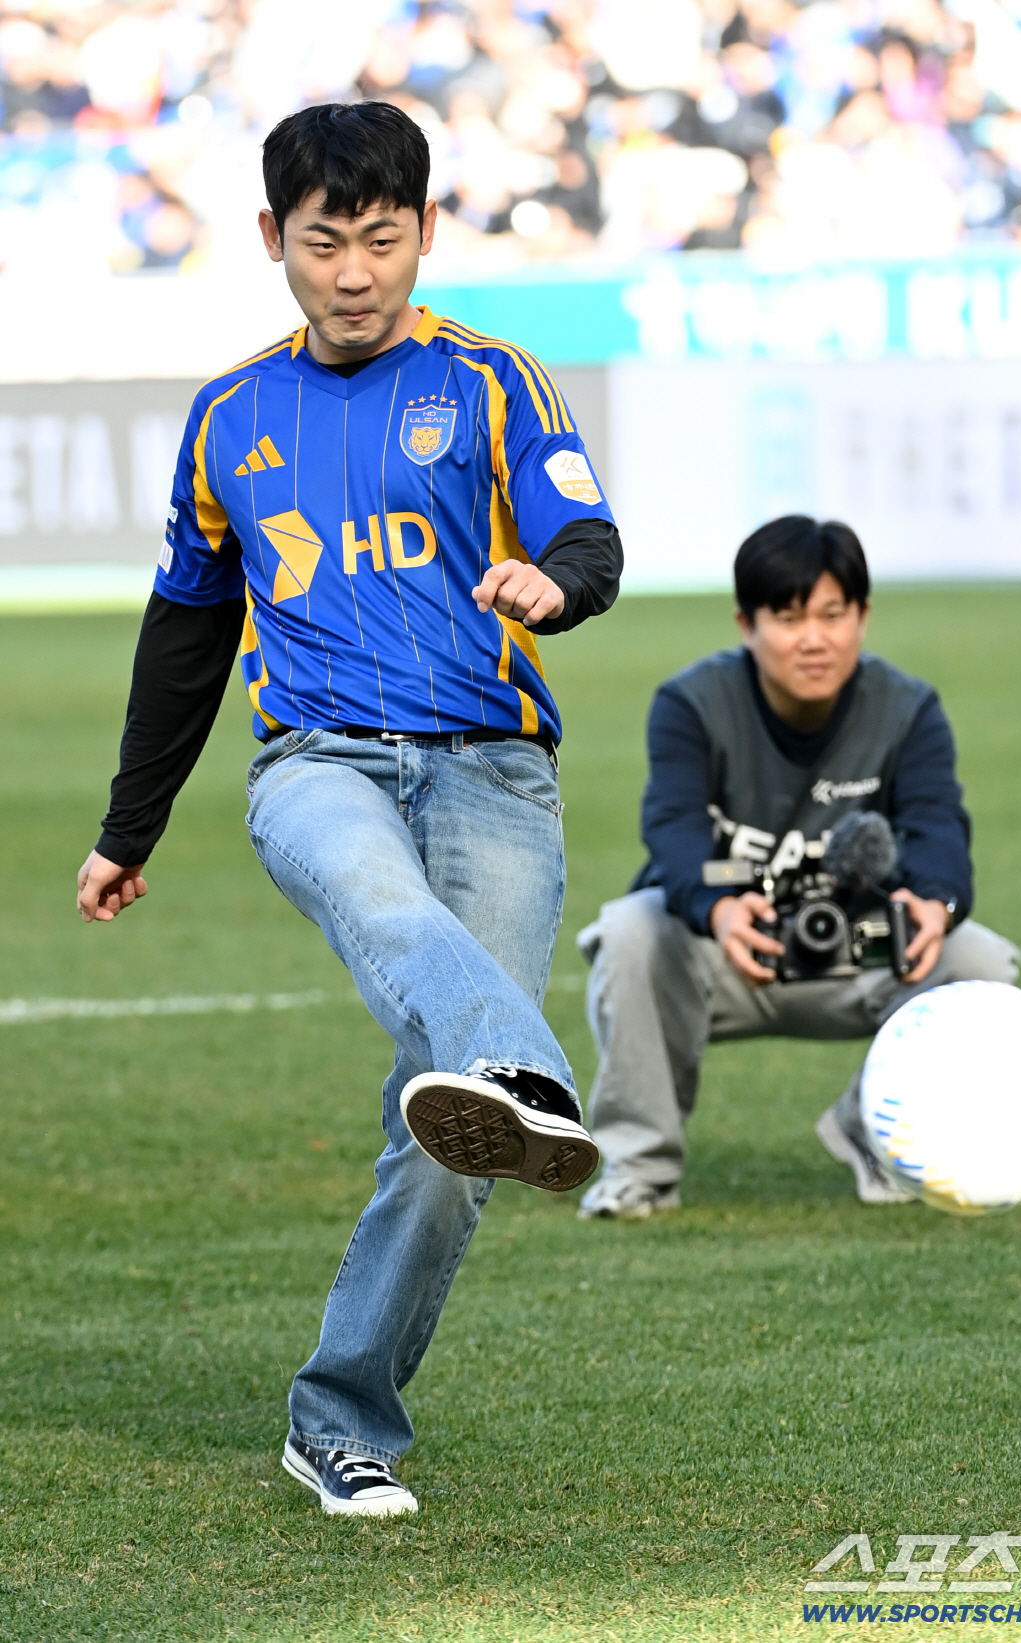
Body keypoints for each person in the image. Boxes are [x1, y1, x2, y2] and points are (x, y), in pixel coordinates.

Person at [74, 102, 622, 1516]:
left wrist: (555, 582)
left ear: (426, 232)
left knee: (446, 1137)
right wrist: (129, 828)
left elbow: (584, 526)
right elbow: (185, 635)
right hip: (316, 763)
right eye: (329, 240)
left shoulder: (496, 380)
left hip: (495, 772)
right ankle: (530, 1062)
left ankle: (339, 1417)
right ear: (275, 241)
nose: (358, 269)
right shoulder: (228, 418)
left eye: (385, 237)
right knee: (386, 910)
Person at [576, 515, 1016, 1220]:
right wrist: (717, 910)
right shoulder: (691, 704)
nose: (813, 637)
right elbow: (672, 829)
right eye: (787, 616)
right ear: (746, 623)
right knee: (629, 929)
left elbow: (938, 824)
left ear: (863, 617)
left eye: (832, 614)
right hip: (726, 950)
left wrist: (934, 901)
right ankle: (640, 1170)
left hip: (863, 950)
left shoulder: (908, 710)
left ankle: (872, 1131)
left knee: (982, 965)